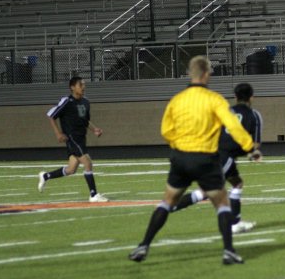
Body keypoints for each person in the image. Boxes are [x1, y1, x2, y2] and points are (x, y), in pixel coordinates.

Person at [128, 56, 255, 265]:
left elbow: (166, 131)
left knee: (167, 202)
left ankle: (144, 245)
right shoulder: (214, 99)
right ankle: (229, 250)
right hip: (206, 159)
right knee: (222, 203)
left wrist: (179, 146)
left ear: (190, 74)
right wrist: (251, 148)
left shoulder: (177, 99)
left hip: (180, 157)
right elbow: (233, 126)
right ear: (206, 74)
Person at [169, 82, 263, 234]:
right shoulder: (254, 115)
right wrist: (252, 153)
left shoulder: (225, 110)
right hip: (224, 156)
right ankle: (171, 206)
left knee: (237, 183)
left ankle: (235, 223)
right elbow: (255, 144)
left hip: (212, 151)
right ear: (252, 97)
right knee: (207, 192)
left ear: (235, 96)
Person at [38, 76, 108, 202]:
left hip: (81, 138)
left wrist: (94, 129)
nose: (83, 87)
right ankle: (93, 195)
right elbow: (51, 115)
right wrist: (58, 134)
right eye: (80, 85)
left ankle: (46, 176)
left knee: (71, 169)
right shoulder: (66, 101)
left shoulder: (86, 102)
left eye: (84, 85)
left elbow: (85, 120)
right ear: (72, 87)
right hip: (72, 138)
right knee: (88, 162)